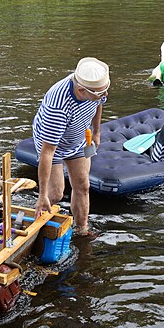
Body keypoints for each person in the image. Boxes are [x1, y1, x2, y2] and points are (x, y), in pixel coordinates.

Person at [32, 57, 110, 236]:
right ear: (81, 90)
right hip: (53, 144)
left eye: (106, 89)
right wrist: (42, 194)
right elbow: (47, 152)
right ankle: (38, 225)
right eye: (100, 93)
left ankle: (82, 230)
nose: (105, 95)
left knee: (83, 185)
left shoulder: (97, 85)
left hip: (79, 137)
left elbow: (99, 104)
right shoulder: (58, 107)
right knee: (55, 193)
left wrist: (96, 132)